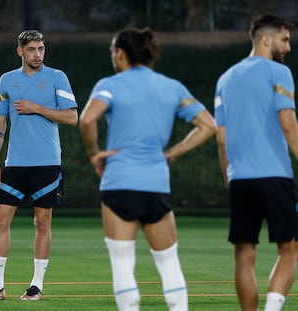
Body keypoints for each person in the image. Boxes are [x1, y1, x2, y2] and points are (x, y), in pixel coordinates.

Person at [79, 27, 217, 311]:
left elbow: (87, 120)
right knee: (168, 263)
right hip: (156, 183)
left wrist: (95, 154)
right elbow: (208, 126)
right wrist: (172, 153)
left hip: (118, 183)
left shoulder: (111, 84)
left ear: (120, 53)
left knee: (122, 265)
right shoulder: (172, 87)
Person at [0, 30, 78, 301]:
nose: (37, 54)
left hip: (47, 163)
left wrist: (36, 107)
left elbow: (72, 117)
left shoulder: (56, 77)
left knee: (42, 222)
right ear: (20, 51)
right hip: (14, 164)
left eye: (41, 49)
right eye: (32, 49)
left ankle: (36, 286)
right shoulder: (7, 80)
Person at [214, 14, 298, 311]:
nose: (288, 47)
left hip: (240, 179)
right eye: (285, 39)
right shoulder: (279, 73)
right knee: (290, 248)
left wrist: (229, 176)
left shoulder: (225, 79)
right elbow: (288, 124)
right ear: (266, 39)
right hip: (275, 176)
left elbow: (221, 138)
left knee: (244, 253)